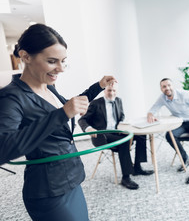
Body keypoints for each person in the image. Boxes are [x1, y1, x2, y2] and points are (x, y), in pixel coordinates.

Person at [0, 23, 117, 221]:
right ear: (26, 56)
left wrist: (97, 87)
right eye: (52, 61)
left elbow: (69, 108)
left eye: (63, 61)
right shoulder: (11, 97)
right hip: (48, 190)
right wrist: (63, 114)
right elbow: (3, 149)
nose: (61, 69)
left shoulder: (48, 87)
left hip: (72, 180)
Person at [78, 84, 154, 190]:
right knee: (123, 142)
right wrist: (89, 129)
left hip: (117, 131)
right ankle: (126, 177)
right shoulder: (95, 103)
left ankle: (137, 167)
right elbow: (82, 120)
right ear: (104, 91)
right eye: (109, 90)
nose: (112, 93)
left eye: (114, 90)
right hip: (102, 135)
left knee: (141, 134)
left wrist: (122, 124)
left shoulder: (118, 100)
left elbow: (121, 115)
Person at [147, 78, 189, 184]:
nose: (167, 88)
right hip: (180, 123)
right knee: (169, 136)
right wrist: (151, 115)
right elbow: (152, 110)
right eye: (164, 86)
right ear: (161, 89)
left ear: (173, 86)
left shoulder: (185, 94)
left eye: (169, 85)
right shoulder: (162, 98)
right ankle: (186, 158)